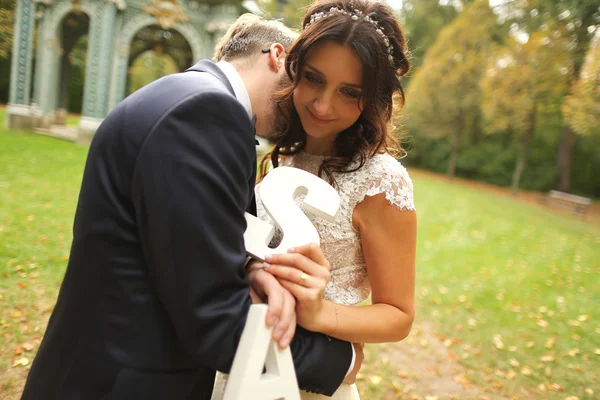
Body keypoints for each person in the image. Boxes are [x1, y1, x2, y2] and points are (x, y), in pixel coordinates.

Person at [21, 14, 362, 400]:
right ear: (279, 57)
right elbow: (213, 317)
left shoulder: (179, 95)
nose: (305, 101)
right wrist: (339, 360)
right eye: (307, 78)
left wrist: (249, 266)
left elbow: (179, 234)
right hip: (123, 382)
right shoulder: (206, 114)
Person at [249, 0, 417, 398]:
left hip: (312, 382)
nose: (324, 105)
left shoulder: (380, 182)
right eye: (313, 78)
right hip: (247, 362)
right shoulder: (282, 156)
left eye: (349, 92)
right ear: (295, 69)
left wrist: (323, 314)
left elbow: (398, 317)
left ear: (372, 97)